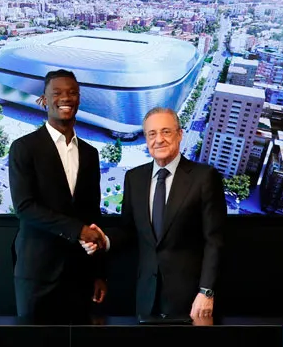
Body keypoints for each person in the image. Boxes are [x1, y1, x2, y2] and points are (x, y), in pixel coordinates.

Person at [82, 107, 227, 318]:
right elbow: (129, 230)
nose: (159, 139)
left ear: (180, 134)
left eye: (166, 131)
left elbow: (215, 241)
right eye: (152, 133)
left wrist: (206, 291)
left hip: (192, 300)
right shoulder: (134, 178)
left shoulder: (204, 178)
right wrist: (104, 239)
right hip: (146, 297)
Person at [8, 69, 108, 323]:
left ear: (79, 99)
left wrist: (98, 274)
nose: (66, 98)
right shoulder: (23, 148)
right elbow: (25, 207)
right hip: (37, 274)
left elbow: (92, 216)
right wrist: (78, 230)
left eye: (72, 93)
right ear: (44, 100)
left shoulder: (90, 153)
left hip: (80, 276)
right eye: (58, 93)